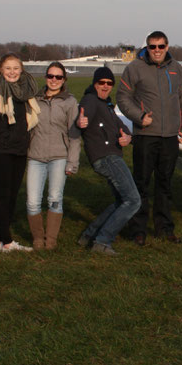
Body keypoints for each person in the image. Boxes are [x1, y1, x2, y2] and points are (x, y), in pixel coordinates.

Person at [116, 31, 182, 245]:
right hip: (145, 136)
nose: (157, 50)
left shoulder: (176, 69)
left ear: (167, 47)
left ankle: (165, 227)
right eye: (152, 46)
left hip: (170, 137)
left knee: (165, 183)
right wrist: (139, 116)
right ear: (147, 48)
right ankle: (138, 229)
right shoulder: (135, 68)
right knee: (141, 183)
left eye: (161, 46)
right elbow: (122, 96)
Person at [72, 67, 141, 256]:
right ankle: (102, 241)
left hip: (111, 156)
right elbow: (82, 117)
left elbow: (123, 129)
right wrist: (80, 122)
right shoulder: (91, 100)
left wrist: (128, 138)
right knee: (133, 200)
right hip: (106, 157)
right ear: (94, 84)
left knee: (121, 200)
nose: (105, 86)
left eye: (109, 83)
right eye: (101, 82)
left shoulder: (107, 105)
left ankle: (89, 235)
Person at [0, 53, 39, 252]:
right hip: (0, 151)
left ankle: (1, 239)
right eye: (8, 68)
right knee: (3, 197)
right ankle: (6, 242)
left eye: (15, 68)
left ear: (21, 71)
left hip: (19, 151)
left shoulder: (24, 93)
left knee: (12, 196)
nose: (12, 72)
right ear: (0, 70)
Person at [25, 62, 81, 250]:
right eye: (51, 76)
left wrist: (72, 163)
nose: (54, 80)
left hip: (59, 157)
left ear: (64, 80)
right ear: (45, 77)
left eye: (58, 77)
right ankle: (38, 239)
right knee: (32, 202)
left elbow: (74, 135)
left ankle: (51, 241)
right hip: (35, 156)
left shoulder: (70, 102)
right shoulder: (33, 99)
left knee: (55, 199)